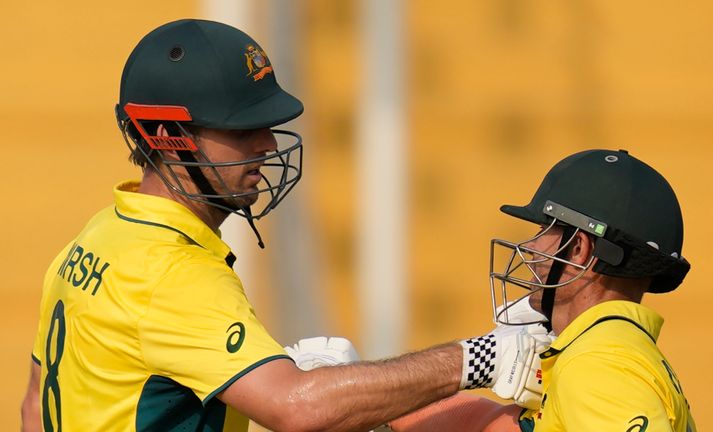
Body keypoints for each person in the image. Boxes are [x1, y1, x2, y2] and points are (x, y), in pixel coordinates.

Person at [20, 19, 544, 432]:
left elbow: (33, 410)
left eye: (267, 127)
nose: (268, 146)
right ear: (165, 134)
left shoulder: (95, 238)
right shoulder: (173, 274)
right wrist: (478, 357)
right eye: (242, 128)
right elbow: (295, 411)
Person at [388, 149, 698, 431]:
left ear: (578, 248)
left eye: (545, 230)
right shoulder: (614, 351)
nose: (532, 248)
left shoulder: (597, 362)